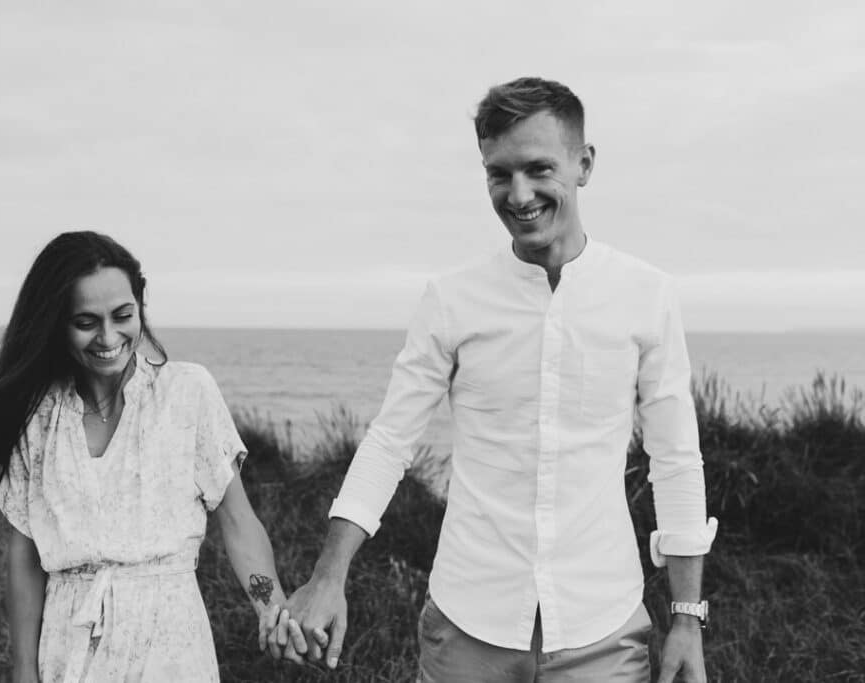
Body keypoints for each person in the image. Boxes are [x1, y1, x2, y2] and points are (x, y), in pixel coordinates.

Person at [272, 77, 718, 682]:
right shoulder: (452, 300)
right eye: (498, 174)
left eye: (539, 169)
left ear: (584, 164)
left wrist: (686, 618)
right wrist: (329, 577)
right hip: (467, 627)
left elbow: (675, 458)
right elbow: (390, 441)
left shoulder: (647, 296)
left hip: (602, 629)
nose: (519, 194)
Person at [0, 231, 287, 682]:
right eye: (86, 321)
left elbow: (237, 519)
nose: (108, 336)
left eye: (122, 315)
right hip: (67, 647)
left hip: (171, 644)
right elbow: (25, 556)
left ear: (140, 306)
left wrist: (272, 610)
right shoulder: (36, 417)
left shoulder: (188, 392)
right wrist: (23, 672)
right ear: (57, 323)